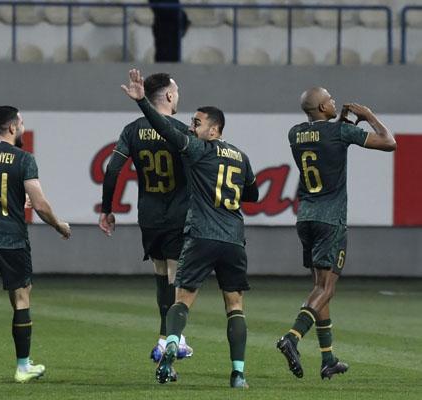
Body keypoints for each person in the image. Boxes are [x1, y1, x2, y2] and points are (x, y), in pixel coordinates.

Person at [121, 69, 259, 388]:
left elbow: (163, 127)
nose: (192, 127)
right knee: (235, 306)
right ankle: (238, 373)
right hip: (233, 240)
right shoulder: (241, 157)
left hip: (200, 236)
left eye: (198, 123)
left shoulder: (197, 150)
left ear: (214, 129)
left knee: (181, 300)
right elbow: (252, 195)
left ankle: (171, 343)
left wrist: (142, 102)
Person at [276, 88, 396, 380]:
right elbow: (389, 142)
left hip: (306, 216)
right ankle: (292, 337)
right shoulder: (340, 132)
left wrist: (339, 121)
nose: (334, 101)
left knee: (319, 289)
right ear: (321, 107)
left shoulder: (295, 133)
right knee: (326, 289)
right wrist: (368, 116)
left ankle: (328, 359)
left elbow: (321, 137)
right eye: (329, 99)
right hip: (331, 219)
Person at [0, 105, 71, 384]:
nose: (23, 127)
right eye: (21, 122)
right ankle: (22, 367)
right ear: (12, 127)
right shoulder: (24, 159)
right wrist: (59, 225)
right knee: (20, 299)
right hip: (12, 239)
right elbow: (39, 204)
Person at [99, 72, 194, 362]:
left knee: (160, 276)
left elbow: (112, 170)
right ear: (169, 96)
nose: (178, 96)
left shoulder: (132, 130)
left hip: (149, 215)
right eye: (177, 91)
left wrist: (106, 209)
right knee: (176, 278)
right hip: (178, 213)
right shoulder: (181, 131)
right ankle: (174, 340)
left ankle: (164, 338)